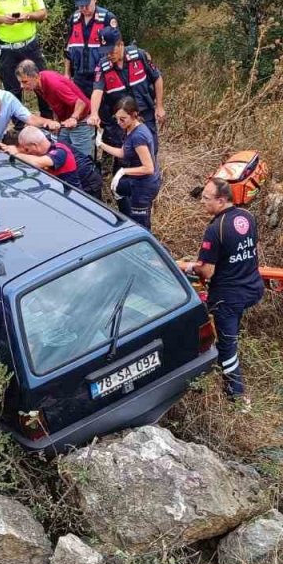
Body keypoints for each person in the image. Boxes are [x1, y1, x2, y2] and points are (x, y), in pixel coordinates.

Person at [176, 177, 264, 406]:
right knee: (230, 332)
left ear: (222, 200)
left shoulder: (216, 230)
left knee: (227, 345)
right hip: (253, 287)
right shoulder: (247, 217)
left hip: (229, 296)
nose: (203, 203)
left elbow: (207, 272)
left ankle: (236, 396)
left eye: (206, 199)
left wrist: (188, 266)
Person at [88, 28, 165, 153]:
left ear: (121, 45)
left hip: (145, 112)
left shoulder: (139, 56)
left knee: (150, 148)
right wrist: (94, 113)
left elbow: (157, 78)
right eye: (105, 51)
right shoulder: (102, 67)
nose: (108, 55)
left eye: (111, 51)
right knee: (126, 153)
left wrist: (159, 106)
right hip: (121, 119)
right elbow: (97, 91)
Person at [96, 97, 160, 229]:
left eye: (122, 119)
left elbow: (149, 168)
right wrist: (101, 144)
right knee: (117, 188)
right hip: (135, 180)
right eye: (117, 118)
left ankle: (144, 241)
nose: (119, 122)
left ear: (134, 115)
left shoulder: (138, 136)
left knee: (142, 223)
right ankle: (127, 220)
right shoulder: (131, 128)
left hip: (144, 186)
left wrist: (123, 171)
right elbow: (123, 152)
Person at [15, 60, 94, 159]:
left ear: (35, 76)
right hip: (65, 121)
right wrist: (56, 122)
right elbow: (55, 104)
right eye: (20, 82)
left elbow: (80, 103)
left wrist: (73, 118)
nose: (22, 86)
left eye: (24, 82)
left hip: (81, 119)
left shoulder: (54, 84)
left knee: (82, 157)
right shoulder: (38, 85)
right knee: (62, 151)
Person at [0, 124, 100, 196]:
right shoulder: (45, 149)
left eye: (27, 149)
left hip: (81, 193)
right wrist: (7, 149)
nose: (27, 153)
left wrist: (15, 153)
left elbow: (37, 162)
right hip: (63, 195)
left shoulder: (59, 151)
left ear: (35, 145)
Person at [65, 0, 118, 97]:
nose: (83, 9)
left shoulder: (107, 18)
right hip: (79, 76)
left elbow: (117, 48)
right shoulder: (73, 19)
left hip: (101, 75)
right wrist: (67, 73)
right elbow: (68, 50)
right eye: (80, 6)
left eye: (86, 5)